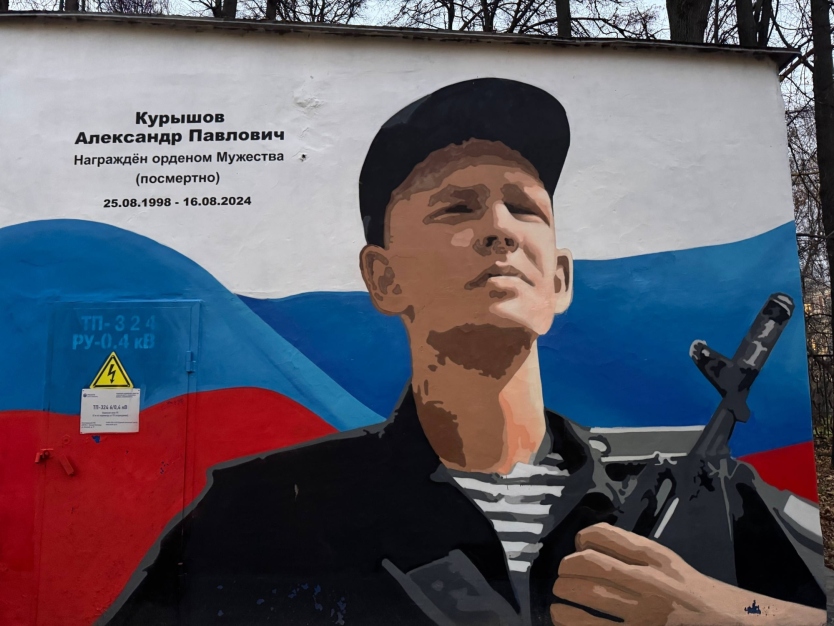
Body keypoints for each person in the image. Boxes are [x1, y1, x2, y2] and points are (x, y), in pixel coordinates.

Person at [105, 79, 827, 626]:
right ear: (383, 278)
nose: (500, 230)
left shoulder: (711, 498)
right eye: (457, 207)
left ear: (560, 279)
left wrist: (724, 614)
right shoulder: (262, 514)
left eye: (525, 207)